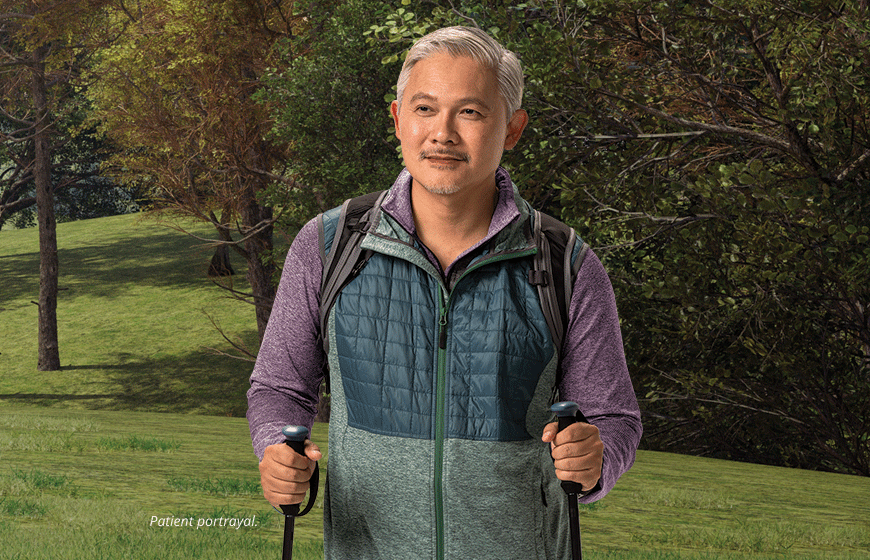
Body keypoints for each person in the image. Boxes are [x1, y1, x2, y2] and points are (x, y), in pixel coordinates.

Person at [246, 26, 642, 559]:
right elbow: (278, 388)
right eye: (425, 109)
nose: (443, 133)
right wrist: (278, 451)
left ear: (513, 129)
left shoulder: (566, 262)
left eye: (471, 113)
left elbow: (612, 417)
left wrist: (595, 462)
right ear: (397, 120)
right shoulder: (328, 246)